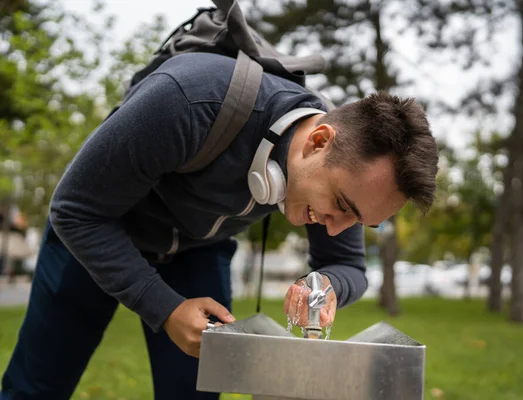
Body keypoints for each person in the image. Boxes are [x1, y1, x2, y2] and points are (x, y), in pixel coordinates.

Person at [0, 52, 439, 400]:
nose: (338, 228)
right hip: (95, 235)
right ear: (319, 141)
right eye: (341, 205)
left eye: (358, 219)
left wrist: (324, 286)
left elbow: (349, 268)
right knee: (36, 387)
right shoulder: (187, 99)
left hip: (196, 249)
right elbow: (75, 209)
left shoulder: (349, 176)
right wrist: (165, 308)